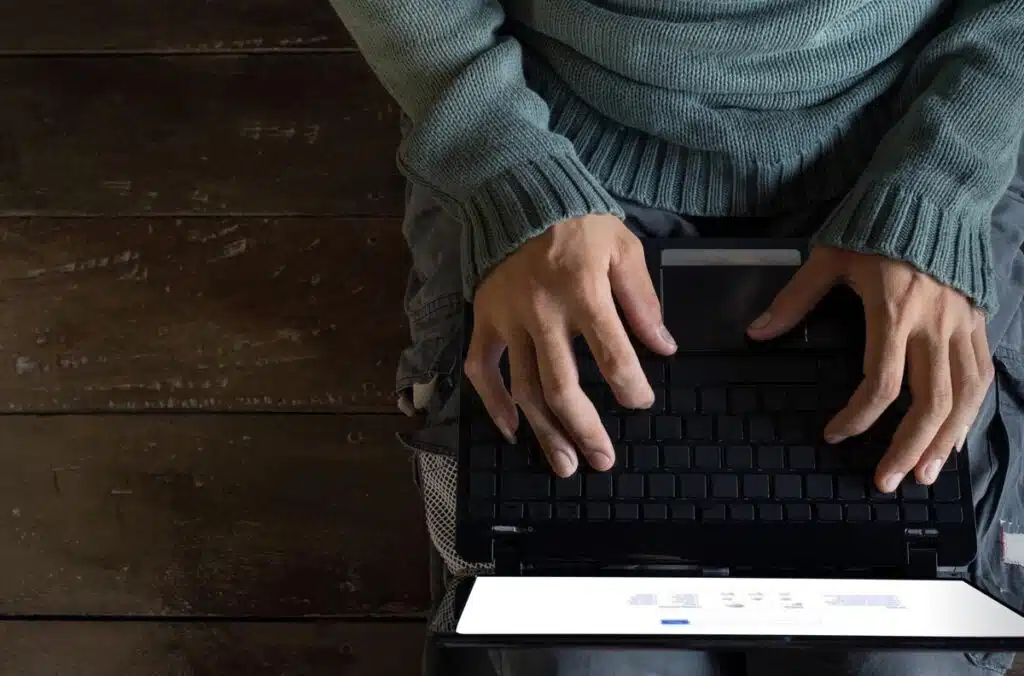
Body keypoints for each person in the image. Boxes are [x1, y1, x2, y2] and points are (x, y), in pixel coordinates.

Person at [333, 1, 1024, 674]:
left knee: (905, 646)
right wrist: (508, 171)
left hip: (922, 121)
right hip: (545, 124)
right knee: (572, 646)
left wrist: (939, 188)